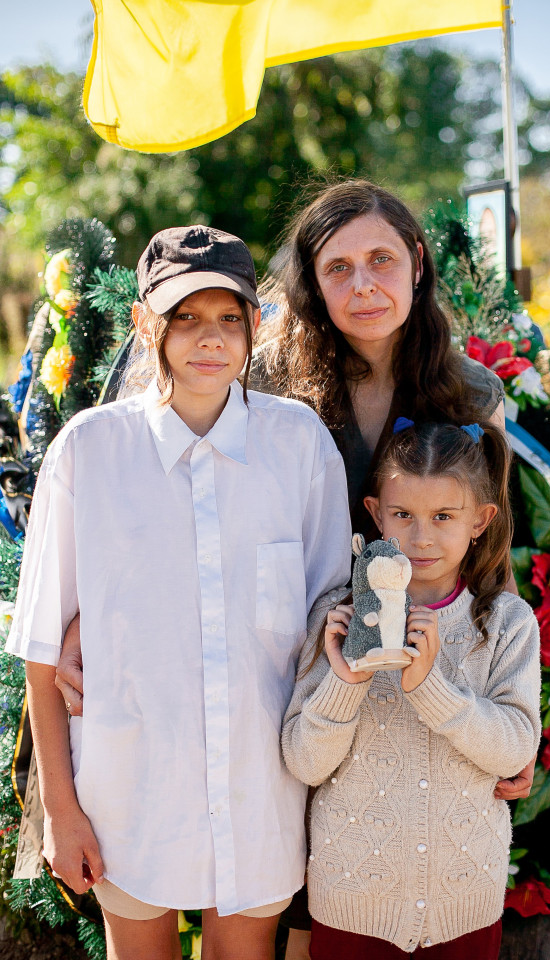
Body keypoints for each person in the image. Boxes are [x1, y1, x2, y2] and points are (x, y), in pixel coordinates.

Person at [54, 181, 536, 956]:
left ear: (416, 261)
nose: (363, 284)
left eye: (381, 259)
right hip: (296, 673)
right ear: (311, 282)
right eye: (337, 267)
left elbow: (489, 553)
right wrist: (89, 612)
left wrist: (510, 707)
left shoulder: (472, 394)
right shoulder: (266, 371)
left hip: (424, 670)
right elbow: (154, 463)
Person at [7, 226, 351, 960]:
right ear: (144, 323)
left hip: (262, 787)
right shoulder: (89, 453)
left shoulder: (297, 445)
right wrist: (61, 813)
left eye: (229, 317)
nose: (210, 339)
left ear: (256, 326)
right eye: (185, 317)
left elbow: (329, 616)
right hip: (128, 790)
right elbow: (40, 649)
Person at [282, 418, 542, 958]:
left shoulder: (506, 623)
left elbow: (516, 747)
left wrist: (432, 689)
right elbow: (305, 763)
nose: (421, 537)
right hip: (351, 902)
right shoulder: (337, 617)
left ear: (481, 520)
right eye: (403, 515)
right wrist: (346, 681)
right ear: (376, 514)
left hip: (466, 903)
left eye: (443, 517)